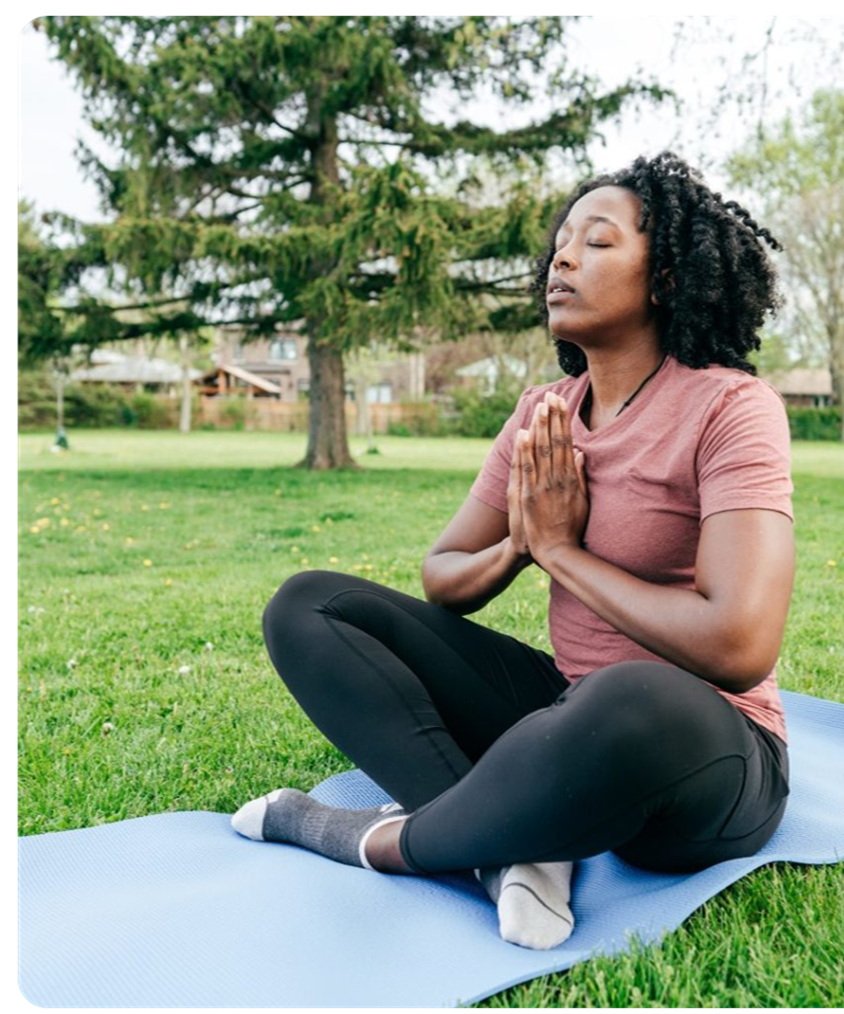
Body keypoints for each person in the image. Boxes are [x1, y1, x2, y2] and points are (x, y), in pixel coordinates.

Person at [231, 150, 796, 951]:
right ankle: (514, 848)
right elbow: (444, 576)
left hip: (699, 751)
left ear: (667, 276)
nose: (562, 258)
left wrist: (564, 554)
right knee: (310, 605)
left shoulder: (731, 408)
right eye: (561, 243)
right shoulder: (545, 413)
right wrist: (519, 549)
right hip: (565, 714)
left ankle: (368, 838)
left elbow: (740, 645)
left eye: (597, 242)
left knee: (630, 693)